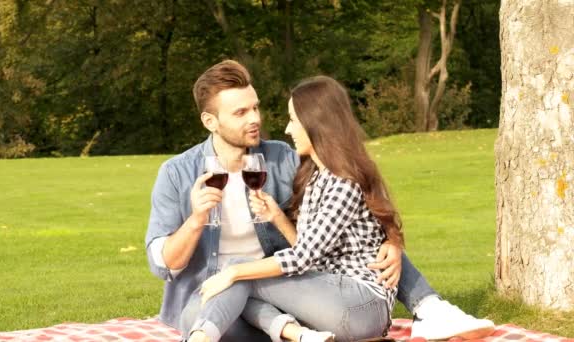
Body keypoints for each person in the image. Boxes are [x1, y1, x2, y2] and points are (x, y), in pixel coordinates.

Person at [145, 60, 495, 341]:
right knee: (202, 313)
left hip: (291, 287)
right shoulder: (177, 174)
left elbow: (352, 183)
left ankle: (429, 304)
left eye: (255, 107)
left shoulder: (281, 157)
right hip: (221, 296)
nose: (256, 119)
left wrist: (391, 238)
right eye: (240, 113)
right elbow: (163, 263)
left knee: (233, 288)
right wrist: (195, 221)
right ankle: (295, 334)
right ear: (210, 121)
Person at [184, 75, 402, 342]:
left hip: (361, 307)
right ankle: (297, 335)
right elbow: (311, 249)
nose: (287, 130)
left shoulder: (343, 183)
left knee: (238, 273)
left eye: (293, 121)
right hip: (335, 297)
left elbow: (302, 257)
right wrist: (277, 217)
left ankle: (200, 338)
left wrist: (232, 271)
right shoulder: (317, 177)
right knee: (239, 280)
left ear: (315, 124)